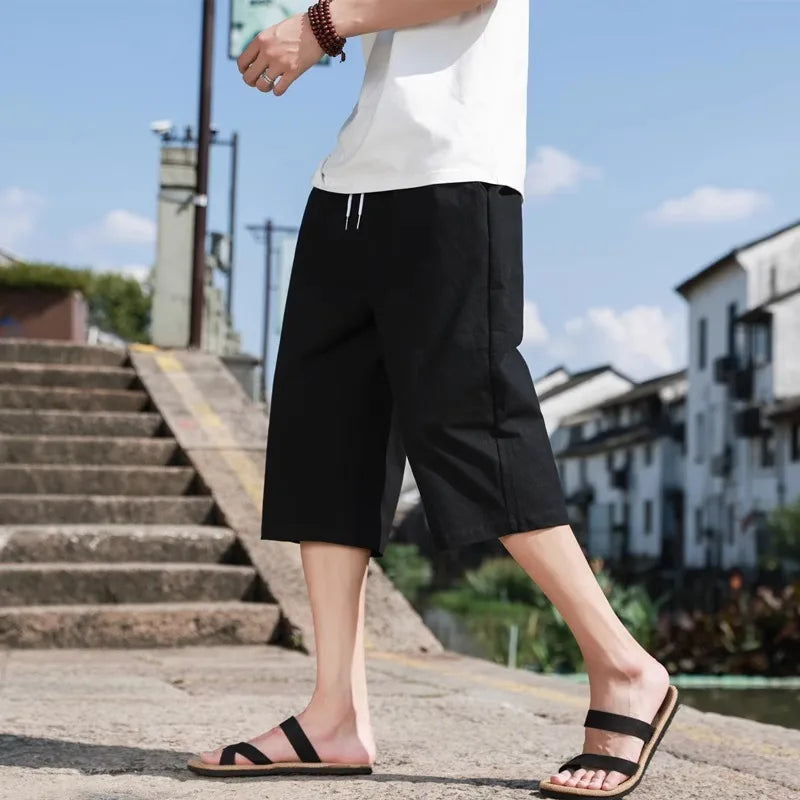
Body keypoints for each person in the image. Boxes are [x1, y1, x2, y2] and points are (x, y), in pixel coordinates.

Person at [187, 1, 678, 796]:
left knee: (474, 423)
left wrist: (319, 26)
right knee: (326, 435)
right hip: (350, 179)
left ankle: (624, 667)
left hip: (452, 172)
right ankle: (334, 714)